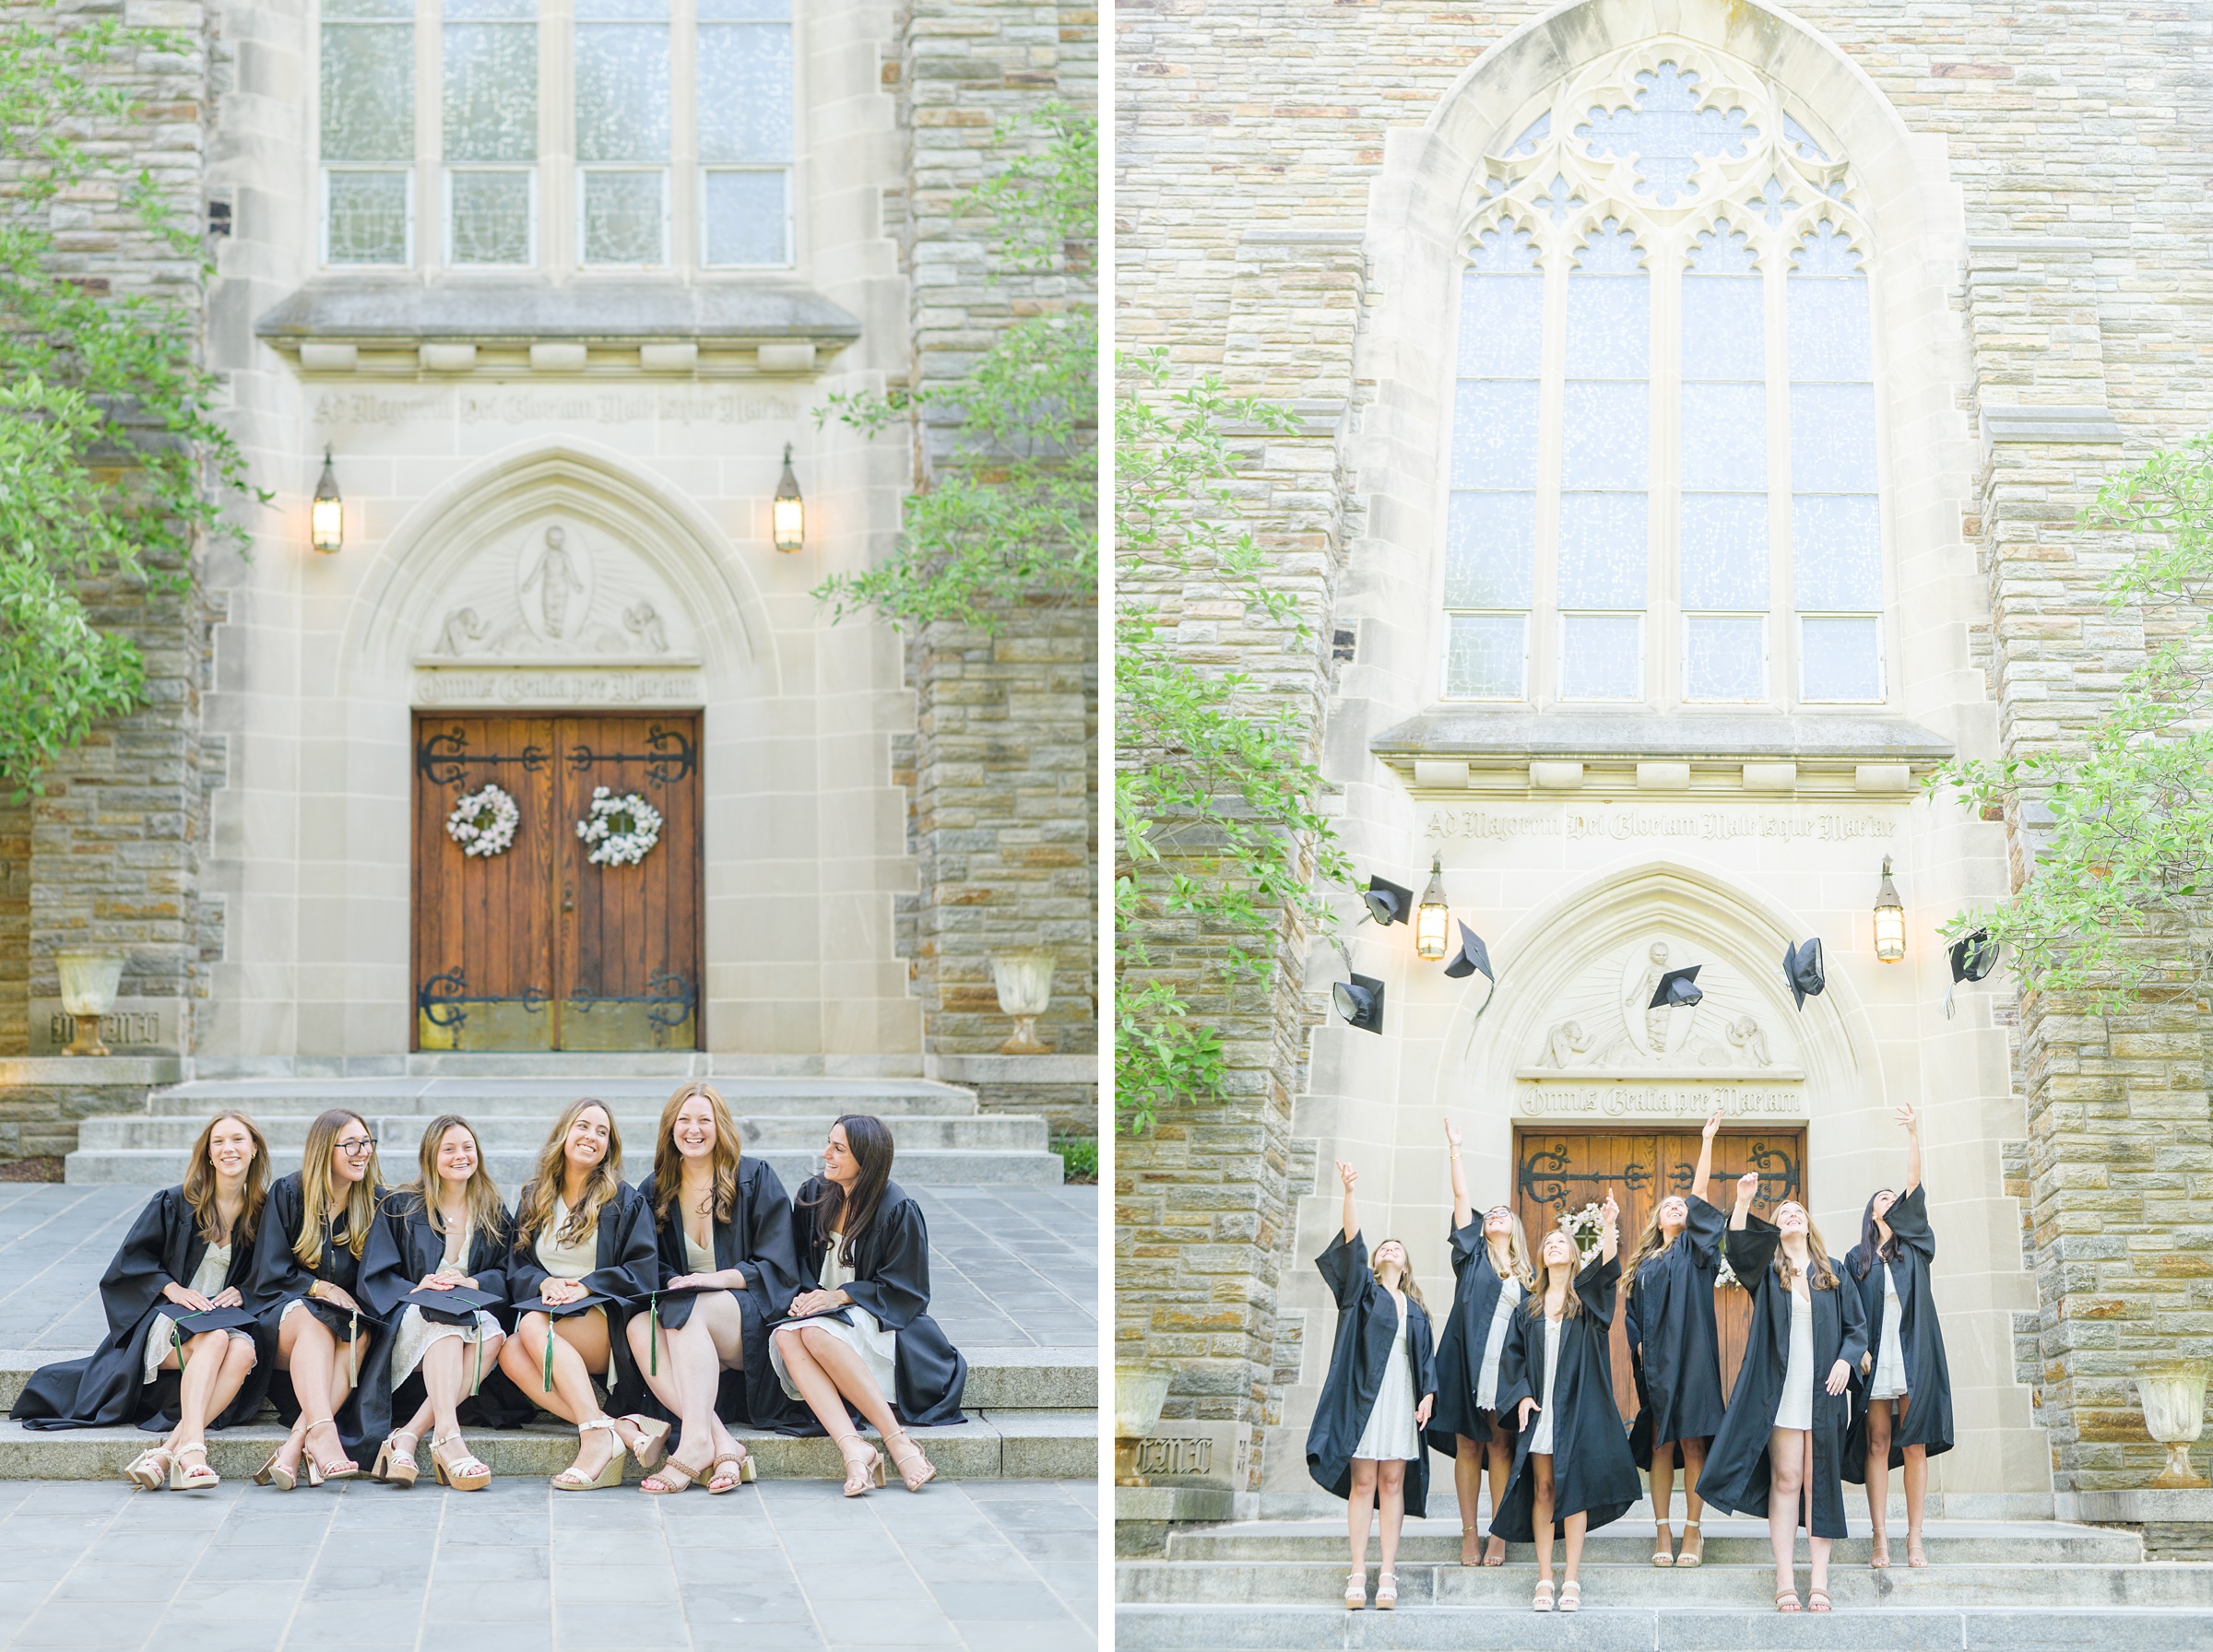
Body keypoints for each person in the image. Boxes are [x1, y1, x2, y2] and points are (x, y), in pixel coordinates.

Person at [12, 1112, 274, 1491]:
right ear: (209, 1154)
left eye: (237, 1140)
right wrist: (172, 1289)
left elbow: (276, 1272)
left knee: (243, 1351)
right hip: (169, 1316)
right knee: (216, 1340)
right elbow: (130, 1264)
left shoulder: (265, 1212)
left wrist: (246, 1292)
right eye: (219, 1142)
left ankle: (169, 1452)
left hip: (225, 1319)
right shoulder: (174, 1203)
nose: (228, 1148)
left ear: (254, 1150)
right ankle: (194, 1450)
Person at [1697, 1173, 1868, 1612]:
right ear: (1777, 1229)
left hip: (1825, 1391)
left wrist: (1846, 1361)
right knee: (1787, 1478)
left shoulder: (1832, 1273)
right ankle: (1786, 1577)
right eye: (1784, 1213)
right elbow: (1735, 1248)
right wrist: (1742, 1201)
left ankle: (1821, 1580)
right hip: (1782, 1391)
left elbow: (1857, 1329)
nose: (1792, 1214)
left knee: (1820, 1482)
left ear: (1808, 1226)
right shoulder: (1768, 1274)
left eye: (1799, 1212)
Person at [771, 1115, 965, 1496]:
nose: (826, 1154)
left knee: (809, 1332)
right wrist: (809, 1296)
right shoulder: (815, 1194)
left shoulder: (897, 1208)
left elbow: (909, 1291)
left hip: (880, 1322)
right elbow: (794, 1263)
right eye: (828, 1143)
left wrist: (841, 1296)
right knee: (786, 1337)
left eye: (838, 1148)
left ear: (868, 1158)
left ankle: (897, 1441)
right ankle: (853, 1447)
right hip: (822, 1320)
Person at [624, 1080, 803, 1493]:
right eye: (684, 1120)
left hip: (750, 1319)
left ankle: (691, 1445)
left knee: (690, 1308)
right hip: (687, 1319)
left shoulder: (754, 1177)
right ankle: (719, 1441)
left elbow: (778, 1264)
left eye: (704, 1119)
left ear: (720, 1126)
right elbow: (649, 1265)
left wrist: (712, 1280)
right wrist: (676, 1281)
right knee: (638, 1328)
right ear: (670, 1128)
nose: (694, 1129)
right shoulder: (655, 1191)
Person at [496, 1098, 668, 1490]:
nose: (591, 1136)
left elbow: (643, 1270)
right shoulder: (535, 1196)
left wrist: (587, 1285)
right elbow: (516, 1265)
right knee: (508, 1349)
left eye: (602, 1132)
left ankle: (594, 1440)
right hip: (550, 1324)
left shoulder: (623, 1200)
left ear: (609, 1147)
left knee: (532, 1324)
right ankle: (613, 1429)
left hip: (605, 1323)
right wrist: (543, 1283)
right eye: (583, 1126)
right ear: (564, 1135)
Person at [358, 1114, 526, 1490]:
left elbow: (509, 1272)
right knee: (444, 1321)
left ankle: (408, 1435)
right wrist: (419, 1286)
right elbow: (375, 1276)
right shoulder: (400, 1206)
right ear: (430, 1156)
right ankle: (449, 1437)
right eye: (449, 1149)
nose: (460, 1156)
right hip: (411, 1316)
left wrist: (473, 1281)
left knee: (493, 1336)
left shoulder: (491, 1208)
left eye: (467, 1147)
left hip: (468, 1317)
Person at [1493, 1193, 1640, 1613]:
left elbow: (1610, 1268)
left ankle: (1571, 1578)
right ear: (1540, 1256)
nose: (1553, 1244)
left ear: (1574, 1257)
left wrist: (1610, 1223)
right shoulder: (1528, 1308)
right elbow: (1513, 1359)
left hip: (1579, 1409)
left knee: (1572, 1492)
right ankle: (1545, 1576)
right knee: (1543, 1489)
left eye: (1562, 1241)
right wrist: (1520, 1395)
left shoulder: (1587, 1302)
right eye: (1548, 1242)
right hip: (1542, 1412)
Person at [1305, 1161, 1438, 1613]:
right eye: (1385, 1247)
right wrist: (1349, 1194)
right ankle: (1358, 1570)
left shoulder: (1417, 1309)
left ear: (1407, 1263)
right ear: (1377, 1261)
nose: (1390, 1249)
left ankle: (1387, 1572)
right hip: (1366, 1396)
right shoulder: (1362, 1294)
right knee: (1364, 1480)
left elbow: (1424, 1361)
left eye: (1397, 1247)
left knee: (1393, 1479)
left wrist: (1428, 1395)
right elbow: (1352, 1243)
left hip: (1401, 1397)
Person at [247, 1108, 388, 1489]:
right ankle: (324, 1434)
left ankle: (297, 1442)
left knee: (359, 1334)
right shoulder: (290, 1192)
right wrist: (321, 1288)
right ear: (326, 1149)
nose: (363, 1152)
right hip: (284, 1315)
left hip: (341, 1324)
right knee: (315, 1324)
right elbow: (270, 1271)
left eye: (367, 1142)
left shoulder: (376, 1201)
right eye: (352, 1144)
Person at [1844, 1103, 1954, 1568]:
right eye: (1882, 1199)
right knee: (1877, 1442)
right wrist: (1858, 1352)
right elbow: (1850, 1312)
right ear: (1872, 1213)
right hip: (1875, 1358)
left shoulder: (1916, 1246)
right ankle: (1879, 1538)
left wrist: (1913, 1134)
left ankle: (1914, 1538)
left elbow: (1914, 1183)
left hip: (1913, 1355)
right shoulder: (1857, 1259)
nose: (1891, 1200)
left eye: (1894, 1197)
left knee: (1914, 1443)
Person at [1423, 1117, 1533, 1567]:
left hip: (1504, 1373)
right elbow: (1462, 1199)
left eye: (1504, 1213)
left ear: (1515, 1227)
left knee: (1501, 1447)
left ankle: (1499, 1532)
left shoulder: (1528, 1276)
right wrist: (1455, 1149)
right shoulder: (1470, 1258)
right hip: (1467, 1365)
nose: (1495, 1215)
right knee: (1470, 1445)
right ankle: (1470, 1534)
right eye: (1491, 1215)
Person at [1623, 1110, 1728, 1568]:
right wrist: (1640, 1344)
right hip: (1656, 1364)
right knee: (1659, 1444)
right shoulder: (1644, 1263)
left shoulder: (1696, 1250)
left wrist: (1706, 1142)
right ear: (1657, 1218)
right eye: (1669, 1205)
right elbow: (1630, 1313)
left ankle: (1693, 1531)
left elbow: (1701, 1195)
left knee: (1691, 1443)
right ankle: (1662, 1530)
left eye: (1682, 1207)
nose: (1677, 1208)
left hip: (1693, 1358)